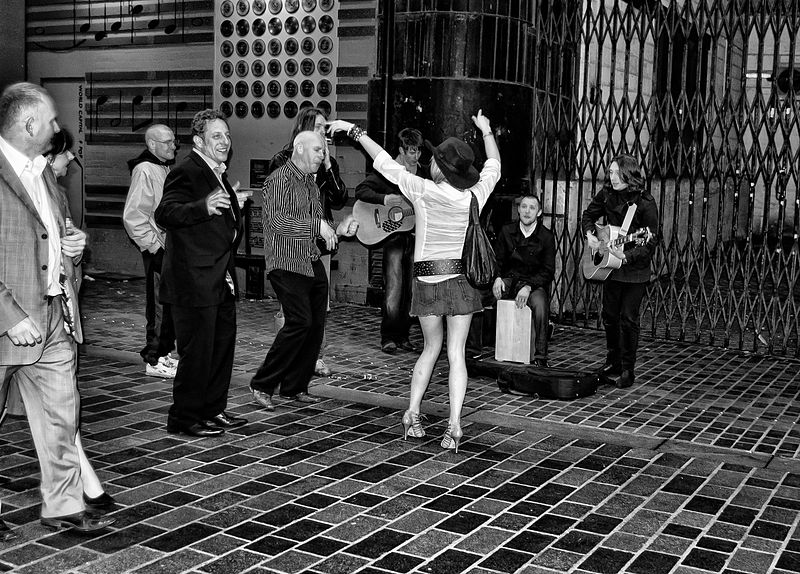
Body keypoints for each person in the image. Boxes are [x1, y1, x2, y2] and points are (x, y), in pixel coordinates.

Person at [329, 110, 501, 453]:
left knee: (430, 349)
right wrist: (486, 130)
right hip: (461, 281)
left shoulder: (421, 189)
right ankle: (454, 424)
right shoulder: (474, 196)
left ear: (439, 167)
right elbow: (494, 165)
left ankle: (412, 413)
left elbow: (382, 162)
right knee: (456, 354)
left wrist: (352, 130)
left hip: (428, 281)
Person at [0, 82, 115, 533]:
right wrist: (9, 316)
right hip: (9, 322)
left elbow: (55, 235)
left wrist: (76, 247)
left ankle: (65, 506)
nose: (57, 127)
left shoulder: (44, 173)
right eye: (50, 120)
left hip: (52, 317)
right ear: (29, 124)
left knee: (61, 418)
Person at [154, 109, 248, 437]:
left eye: (226, 134)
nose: (225, 141)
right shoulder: (187, 171)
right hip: (193, 281)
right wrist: (203, 207)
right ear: (199, 141)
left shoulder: (215, 171)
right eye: (216, 136)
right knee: (197, 354)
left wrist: (233, 202)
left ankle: (213, 410)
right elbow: (165, 212)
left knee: (221, 349)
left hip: (217, 277)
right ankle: (184, 418)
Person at [249, 131, 358, 411]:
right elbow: (277, 221)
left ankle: (295, 386)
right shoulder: (278, 179)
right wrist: (317, 226)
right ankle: (262, 383)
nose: (323, 155)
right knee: (300, 322)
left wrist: (338, 230)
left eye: (324, 151)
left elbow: (316, 226)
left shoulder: (310, 182)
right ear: (298, 149)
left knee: (315, 325)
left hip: (309, 259)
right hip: (285, 262)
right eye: (318, 150)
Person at [268, 107, 348, 377]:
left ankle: (314, 357)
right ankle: (288, 360)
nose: (324, 134)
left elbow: (338, 198)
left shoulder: (327, 163)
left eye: (326, 129)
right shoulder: (282, 160)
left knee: (318, 305)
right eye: (319, 127)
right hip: (290, 247)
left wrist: (327, 165)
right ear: (304, 129)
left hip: (319, 244)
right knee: (293, 308)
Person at [581, 153, 659, 388]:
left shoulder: (645, 203)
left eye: (617, 173)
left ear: (629, 174)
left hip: (635, 270)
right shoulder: (606, 194)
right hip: (611, 267)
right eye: (611, 172)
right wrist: (591, 236)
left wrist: (628, 256)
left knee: (628, 319)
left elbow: (651, 240)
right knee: (610, 317)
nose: (612, 177)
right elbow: (588, 216)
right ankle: (612, 361)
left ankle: (628, 369)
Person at [355, 128, 429, 354]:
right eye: (411, 152)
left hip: (415, 237)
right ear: (401, 150)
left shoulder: (423, 174)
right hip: (393, 236)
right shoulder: (389, 172)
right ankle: (388, 336)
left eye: (418, 152)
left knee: (411, 289)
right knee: (394, 287)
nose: (415, 157)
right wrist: (384, 198)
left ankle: (404, 336)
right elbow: (361, 190)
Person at [123, 124, 178, 378]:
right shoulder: (145, 170)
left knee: (167, 304)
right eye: (166, 142)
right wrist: (154, 247)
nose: (173, 146)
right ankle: (155, 358)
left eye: (173, 141)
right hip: (158, 249)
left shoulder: (161, 168)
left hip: (165, 247)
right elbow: (134, 215)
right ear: (152, 145)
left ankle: (163, 354)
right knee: (159, 306)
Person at [492, 194, 555, 367]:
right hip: (509, 279)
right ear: (518, 209)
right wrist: (497, 277)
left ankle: (541, 357)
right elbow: (497, 260)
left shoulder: (546, 236)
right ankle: (473, 352)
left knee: (541, 306)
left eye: (532, 208)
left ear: (539, 212)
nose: (527, 211)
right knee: (480, 296)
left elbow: (548, 271)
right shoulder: (507, 230)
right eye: (524, 206)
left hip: (533, 283)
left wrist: (529, 286)